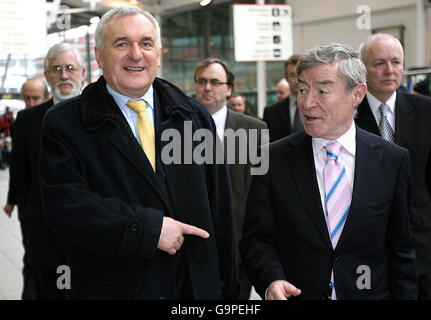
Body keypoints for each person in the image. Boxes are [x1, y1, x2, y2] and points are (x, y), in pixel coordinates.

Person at [38, 7, 238, 300]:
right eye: (122, 43)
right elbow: (67, 209)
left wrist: (227, 293)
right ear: (99, 56)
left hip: (192, 289)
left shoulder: (194, 117)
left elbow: (220, 213)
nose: (136, 54)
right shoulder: (65, 123)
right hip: (116, 288)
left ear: (159, 53)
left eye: (145, 43)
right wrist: (149, 229)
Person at [240, 43, 418, 300]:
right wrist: (272, 281)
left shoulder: (391, 161)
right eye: (302, 89)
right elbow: (257, 241)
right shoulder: (271, 159)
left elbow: (401, 251)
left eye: (323, 91)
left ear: (357, 94)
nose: (307, 102)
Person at [3, 41, 86, 299]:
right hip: (44, 231)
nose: (64, 74)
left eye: (70, 68)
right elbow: (20, 171)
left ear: (81, 73)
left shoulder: (104, 114)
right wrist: (27, 215)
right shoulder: (28, 120)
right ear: (48, 76)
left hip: (92, 230)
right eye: (57, 69)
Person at [356, 33, 431, 300]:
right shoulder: (348, 116)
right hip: (367, 245)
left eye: (396, 62)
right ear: (362, 68)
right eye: (379, 63)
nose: (390, 70)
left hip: (420, 243)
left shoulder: (426, 111)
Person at [194, 57, 267, 300]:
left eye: (215, 82)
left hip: (240, 246)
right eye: (202, 81)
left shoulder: (255, 130)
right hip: (194, 245)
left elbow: (264, 190)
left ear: (229, 89)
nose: (207, 87)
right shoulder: (176, 128)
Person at [263, 55, 303, 142]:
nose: (297, 80)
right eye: (293, 75)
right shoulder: (271, 112)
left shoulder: (317, 107)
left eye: (300, 74)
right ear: (286, 78)